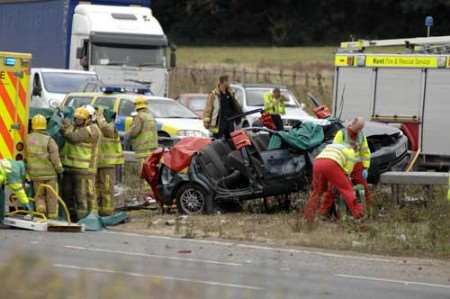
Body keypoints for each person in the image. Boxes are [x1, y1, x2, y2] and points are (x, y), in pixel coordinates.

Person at [320, 117, 371, 215]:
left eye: (360, 129)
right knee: (332, 188)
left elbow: (365, 152)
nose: (358, 131)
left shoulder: (361, 136)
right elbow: (335, 151)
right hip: (342, 165)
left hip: (357, 166)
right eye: (357, 128)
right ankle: (324, 212)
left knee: (364, 188)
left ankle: (367, 210)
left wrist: (365, 167)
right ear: (352, 124)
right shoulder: (341, 134)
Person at [304, 143, 364, 223]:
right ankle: (359, 215)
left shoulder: (334, 146)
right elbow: (347, 172)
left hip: (317, 163)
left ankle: (309, 217)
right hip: (331, 164)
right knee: (347, 190)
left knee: (317, 191)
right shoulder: (351, 151)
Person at [61, 106, 101, 220]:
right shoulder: (77, 128)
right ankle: (71, 217)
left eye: (80, 120)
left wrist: (65, 127)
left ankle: (84, 218)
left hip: (83, 169)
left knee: (81, 196)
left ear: (88, 119)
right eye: (76, 119)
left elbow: (73, 138)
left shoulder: (91, 130)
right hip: (69, 168)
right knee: (67, 194)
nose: (77, 122)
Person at [24, 114, 63, 219]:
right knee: (52, 195)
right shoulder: (49, 140)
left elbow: (25, 157)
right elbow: (55, 158)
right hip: (50, 174)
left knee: (39, 195)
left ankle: (41, 212)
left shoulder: (26, 139)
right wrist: (60, 170)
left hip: (35, 174)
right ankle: (53, 216)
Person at [125, 96, 158, 200]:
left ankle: (146, 196)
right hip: (152, 149)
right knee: (151, 172)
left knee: (144, 173)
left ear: (136, 106)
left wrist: (128, 134)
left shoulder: (139, 117)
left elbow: (135, 131)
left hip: (142, 150)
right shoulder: (150, 116)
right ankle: (152, 195)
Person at [96, 107, 124, 216]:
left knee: (107, 188)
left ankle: (107, 211)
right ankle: (99, 209)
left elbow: (105, 128)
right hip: (99, 163)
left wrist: (100, 117)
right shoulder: (98, 127)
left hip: (108, 164)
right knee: (97, 187)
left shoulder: (110, 128)